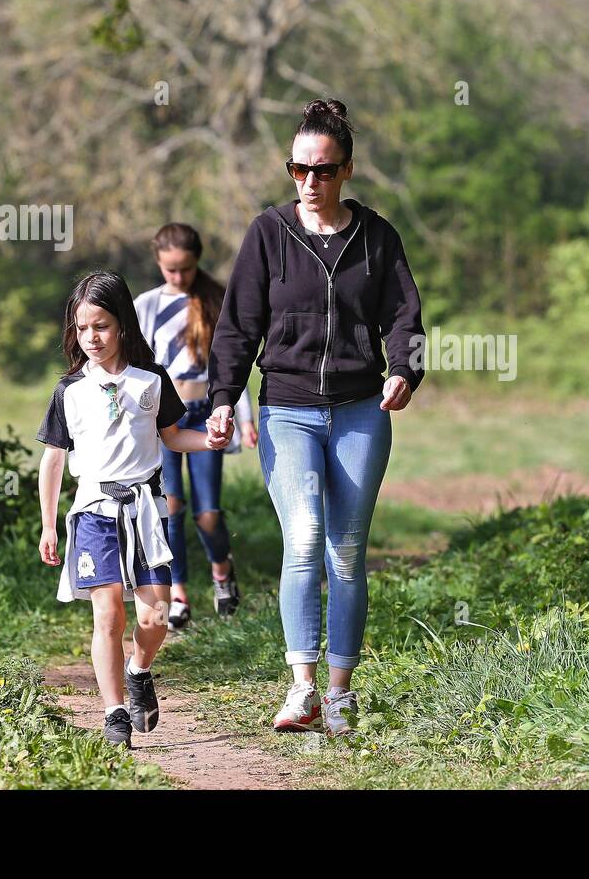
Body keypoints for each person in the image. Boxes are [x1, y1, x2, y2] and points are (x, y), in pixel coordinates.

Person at [205, 99, 426, 736]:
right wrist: (224, 398)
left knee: (347, 552)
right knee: (302, 542)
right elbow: (238, 326)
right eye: (298, 169)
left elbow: (404, 318)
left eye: (323, 170)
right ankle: (300, 687)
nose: (310, 181)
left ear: (347, 171)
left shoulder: (377, 237)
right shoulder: (268, 233)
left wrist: (403, 370)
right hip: (288, 410)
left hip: (361, 411)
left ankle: (339, 692)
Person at [37, 271, 230, 748]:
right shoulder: (69, 390)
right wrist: (48, 527)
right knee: (108, 617)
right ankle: (115, 712)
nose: (91, 337)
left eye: (100, 325)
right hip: (94, 513)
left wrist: (209, 439)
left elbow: (173, 437)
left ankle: (139, 670)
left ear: (122, 324)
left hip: (145, 510)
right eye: (82, 328)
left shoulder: (150, 380)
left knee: (155, 616)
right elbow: (53, 460)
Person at [135, 224, 257, 629]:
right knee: (170, 508)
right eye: (170, 270)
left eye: (185, 269)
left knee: (207, 512)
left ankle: (222, 571)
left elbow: (231, 366)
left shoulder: (214, 300)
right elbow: (137, 365)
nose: (178, 277)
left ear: (196, 262)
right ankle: (178, 596)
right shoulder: (147, 305)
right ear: (158, 262)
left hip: (207, 411)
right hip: (163, 416)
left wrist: (245, 418)